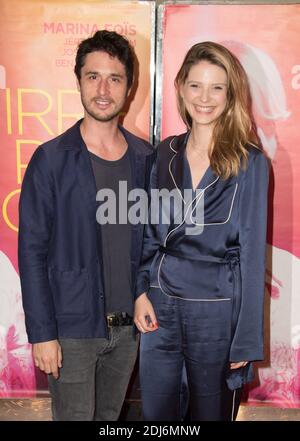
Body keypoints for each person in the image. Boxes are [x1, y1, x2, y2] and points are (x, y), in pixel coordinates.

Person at [18, 30, 154, 421]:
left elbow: (150, 242)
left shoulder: (146, 159)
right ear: (78, 81)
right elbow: (31, 253)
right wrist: (42, 333)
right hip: (71, 330)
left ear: (129, 88)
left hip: (127, 331)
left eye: (115, 78)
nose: (103, 89)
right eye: (93, 76)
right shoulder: (51, 159)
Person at [134, 41, 269, 421]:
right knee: (158, 414)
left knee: (210, 414)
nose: (204, 98)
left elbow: (252, 255)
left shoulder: (250, 162)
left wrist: (245, 339)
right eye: (195, 85)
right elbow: (148, 230)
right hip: (159, 305)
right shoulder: (164, 153)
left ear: (231, 95)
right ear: (179, 86)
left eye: (216, 87)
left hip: (216, 310)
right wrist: (140, 291)